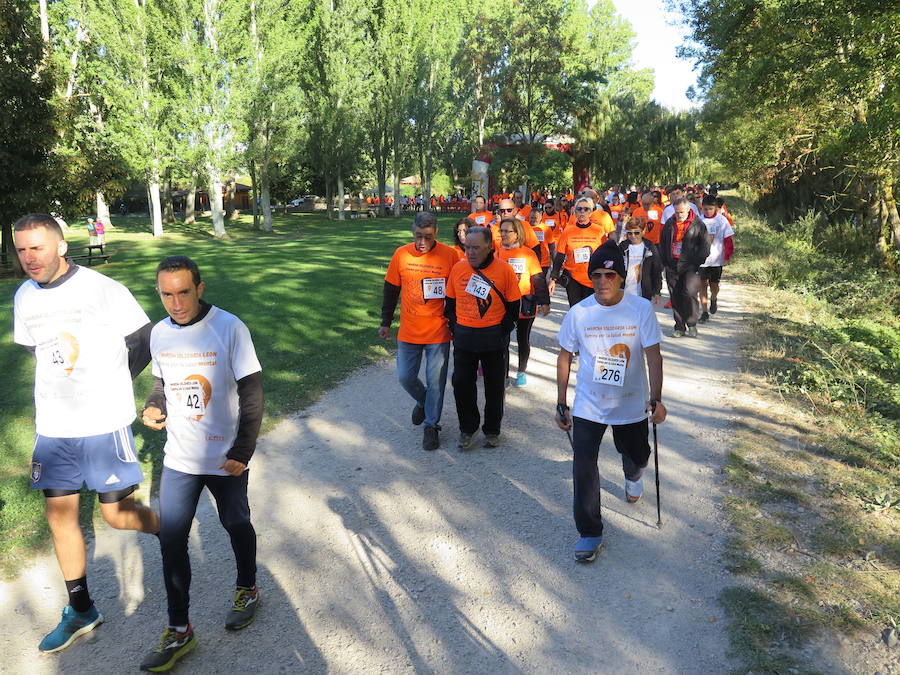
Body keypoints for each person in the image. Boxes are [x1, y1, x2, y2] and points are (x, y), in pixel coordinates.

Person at [12, 214, 159, 653]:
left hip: (102, 423)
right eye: (21, 250)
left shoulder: (101, 288)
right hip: (54, 427)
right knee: (60, 515)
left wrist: (115, 380)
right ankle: (80, 608)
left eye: (37, 247)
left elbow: (145, 337)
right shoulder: (23, 296)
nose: (29, 258)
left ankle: (172, 533)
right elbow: (38, 350)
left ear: (60, 246)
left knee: (117, 515)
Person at [139, 255, 264, 672]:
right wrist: (154, 406)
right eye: (166, 294)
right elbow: (161, 383)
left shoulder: (229, 327)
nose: (175, 303)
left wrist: (241, 452)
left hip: (225, 457)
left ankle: (247, 587)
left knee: (236, 523)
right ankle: (179, 630)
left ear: (200, 288)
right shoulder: (159, 333)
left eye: (183, 293)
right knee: (171, 539)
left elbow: (252, 393)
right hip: (179, 458)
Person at [555, 240, 667, 562]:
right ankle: (590, 532)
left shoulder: (640, 310)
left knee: (637, 455)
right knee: (583, 464)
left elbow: (654, 358)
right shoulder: (579, 313)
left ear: (621, 277)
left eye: (610, 274)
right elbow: (564, 357)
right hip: (589, 403)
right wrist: (561, 402)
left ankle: (633, 475)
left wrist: (656, 399)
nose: (602, 282)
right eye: (596, 275)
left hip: (631, 403)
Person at [380, 212, 459, 450]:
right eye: (417, 236)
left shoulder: (449, 255)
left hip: (438, 331)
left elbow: (456, 292)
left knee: (436, 382)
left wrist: (455, 323)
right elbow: (391, 289)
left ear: (435, 233)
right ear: (412, 231)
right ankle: (424, 401)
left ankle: (431, 426)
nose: (422, 242)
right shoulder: (401, 254)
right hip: (409, 330)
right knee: (405, 376)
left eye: (427, 236)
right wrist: (385, 321)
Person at [445, 226, 521, 449]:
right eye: (467, 247)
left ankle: (492, 429)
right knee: (461, 385)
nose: (470, 252)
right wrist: (457, 327)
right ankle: (468, 428)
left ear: (489, 247)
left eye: (476, 248)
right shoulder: (458, 269)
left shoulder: (504, 270)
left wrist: (502, 330)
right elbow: (449, 305)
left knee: (495, 387)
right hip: (465, 339)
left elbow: (514, 306)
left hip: (493, 340)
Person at [496, 218, 550, 387]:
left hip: (525, 302)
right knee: (502, 340)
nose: (503, 235)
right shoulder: (497, 252)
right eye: (501, 231)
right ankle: (503, 375)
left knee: (522, 339)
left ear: (517, 233)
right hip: (504, 304)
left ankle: (521, 371)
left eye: (507, 231)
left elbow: (538, 278)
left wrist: (544, 301)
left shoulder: (528, 253)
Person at [658, 198, 711, 337]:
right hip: (672, 264)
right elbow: (663, 243)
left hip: (690, 264)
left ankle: (692, 323)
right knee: (675, 295)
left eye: (681, 212)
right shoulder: (670, 223)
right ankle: (679, 326)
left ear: (688, 210)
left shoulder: (698, 224)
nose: (679, 214)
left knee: (689, 293)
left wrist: (696, 262)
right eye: (677, 212)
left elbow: (705, 246)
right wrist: (664, 261)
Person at [549, 197, 610, 307]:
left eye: (586, 209)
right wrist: (553, 278)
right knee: (576, 310)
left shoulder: (599, 231)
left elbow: (605, 255)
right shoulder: (568, 231)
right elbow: (560, 256)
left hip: (593, 278)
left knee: (591, 312)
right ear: (575, 212)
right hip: (573, 278)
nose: (582, 211)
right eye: (579, 209)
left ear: (591, 212)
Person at [698, 195, 735, 321]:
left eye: (710, 209)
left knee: (714, 285)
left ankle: (713, 298)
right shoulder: (698, 220)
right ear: (702, 208)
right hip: (702, 260)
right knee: (702, 285)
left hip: (716, 259)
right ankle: (704, 312)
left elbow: (728, 239)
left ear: (715, 208)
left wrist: (727, 256)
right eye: (705, 209)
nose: (707, 211)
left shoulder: (722, 220)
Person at [618, 214, 663, 304]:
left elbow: (656, 271)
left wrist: (657, 292)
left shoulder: (650, 247)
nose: (633, 236)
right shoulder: (622, 247)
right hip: (624, 292)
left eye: (636, 232)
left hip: (644, 292)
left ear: (643, 231)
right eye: (630, 233)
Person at [529, 207, 554, 277]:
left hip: (543, 262)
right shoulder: (525, 227)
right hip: (529, 261)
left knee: (541, 285)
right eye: (531, 218)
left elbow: (551, 245)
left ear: (540, 217)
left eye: (535, 218)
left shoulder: (546, 228)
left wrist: (554, 262)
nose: (533, 220)